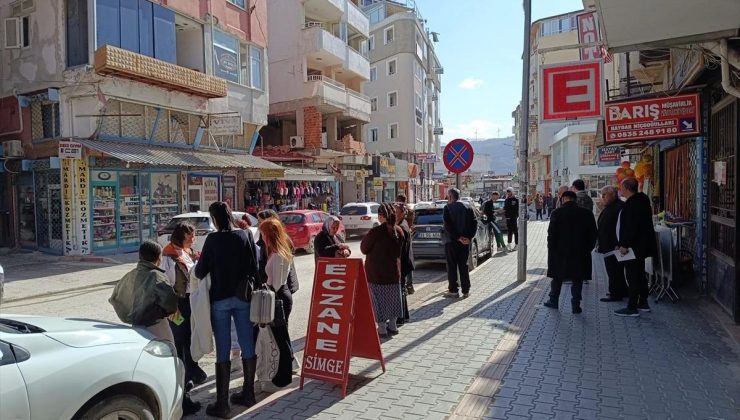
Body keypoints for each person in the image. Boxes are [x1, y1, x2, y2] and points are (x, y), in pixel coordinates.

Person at [109, 241, 200, 416]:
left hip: (136, 327)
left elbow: (115, 299)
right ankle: (180, 404)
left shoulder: (130, 275)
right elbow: (170, 303)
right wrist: (165, 311)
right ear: (158, 259)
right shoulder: (157, 276)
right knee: (172, 363)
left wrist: (129, 315)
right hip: (157, 325)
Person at [194, 202, 260, 417]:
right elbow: (255, 266)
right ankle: (248, 393)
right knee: (246, 342)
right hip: (243, 297)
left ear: (214, 218)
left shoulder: (213, 240)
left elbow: (200, 271)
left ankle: (222, 404)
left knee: (223, 348)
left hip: (220, 300)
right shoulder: (246, 235)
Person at [160, 222, 208, 387]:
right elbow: (167, 284)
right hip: (178, 302)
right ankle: (183, 374)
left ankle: (192, 369)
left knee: (190, 335)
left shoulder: (187, 251)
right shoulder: (168, 256)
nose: (194, 239)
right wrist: (172, 308)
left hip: (191, 299)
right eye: (190, 236)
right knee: (180, 338)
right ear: (181, 236)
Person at [257, 218, 295, 392]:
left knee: (281, 338)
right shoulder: (276, 252)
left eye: (263, 233)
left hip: (279, 298)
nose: (261, 236)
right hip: (279, 296)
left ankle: (284, 377)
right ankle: (282, 374)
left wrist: (266, 288)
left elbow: (278, 283)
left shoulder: (279, 254)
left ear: (269, 234)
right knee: (281, 336)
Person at [544, 191, 598, 314]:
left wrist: (551, 249)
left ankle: (553, 301)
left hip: (559, 252)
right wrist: (588, 248)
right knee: (577, 278)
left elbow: (551, 234)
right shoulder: (586, 213)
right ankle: (576, 305)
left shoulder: (557, 213)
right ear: (575, 199)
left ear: (563, 199)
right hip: (580, 252)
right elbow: (594, 234)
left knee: (557, 278)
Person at [614, 177, 657, 317]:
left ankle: (632, 307)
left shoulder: (632, 204)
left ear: (626, 188)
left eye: (621, 187)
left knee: (632, 275)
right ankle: (643, 302)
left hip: (633, 247)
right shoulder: (642, 200)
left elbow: (630, 227)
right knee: (639, 274)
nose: (620, 190)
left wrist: (624, 244)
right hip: (642, 245)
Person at [361, 203, 404, 337]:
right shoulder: (399, 231)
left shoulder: (376, 232)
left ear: (381, 216)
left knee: (378, 302)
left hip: (376, 275)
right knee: (393, 300)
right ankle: (393, 325)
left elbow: (364, 248)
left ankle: (382, 328)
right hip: (393, 273)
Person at [442, 188, 477, 299]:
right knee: (463, 266)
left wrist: (458, 237)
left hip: (451, 242)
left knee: (452, 267)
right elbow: (474, 222)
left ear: (451, 197)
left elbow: (448, 226)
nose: (447, 199)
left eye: (448, 196)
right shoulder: (468, 207)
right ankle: (466, 290)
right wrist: (468, 238)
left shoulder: (447, 208)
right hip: (465, 243)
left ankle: (453, 290)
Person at [597, 186, 628, 302]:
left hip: (614, 245)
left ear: (613, 194)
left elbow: (622, 227)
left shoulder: (619, 207)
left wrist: (619, 243)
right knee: (614, 270)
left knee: (614, 270)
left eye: (605, 194)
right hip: (607, 244)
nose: (602, 197)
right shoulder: (610, 206)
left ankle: (615, 293)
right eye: (602, 195)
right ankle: (623, 290)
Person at [394, 203, 413, 325]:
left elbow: (400, 249)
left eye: (396, 212)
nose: (394, 214)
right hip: (405, 262)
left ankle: (401, 317)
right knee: (402, 289)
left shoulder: (402, 226)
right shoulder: (403, 224)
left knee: (400, 289)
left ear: (402, 213)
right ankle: (404, 315)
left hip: (403, 263)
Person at [396, 194, 415, 294]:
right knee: (408, 259)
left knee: (405, 260)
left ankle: (406, 286)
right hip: (409, 236)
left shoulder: (403, 211)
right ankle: (410, 285)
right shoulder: (410, 210)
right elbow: (412, 223)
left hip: (405, 236)